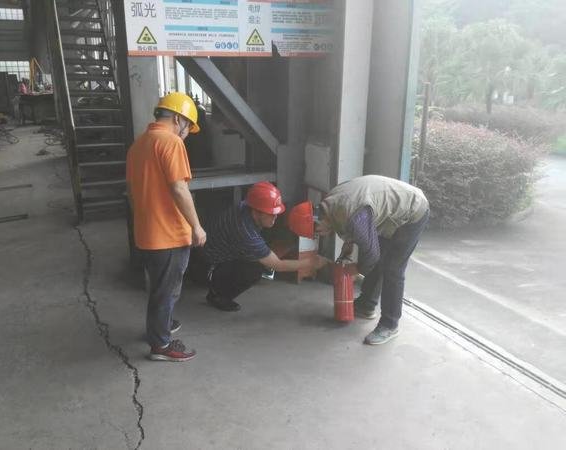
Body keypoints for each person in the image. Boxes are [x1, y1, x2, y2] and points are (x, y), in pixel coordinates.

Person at [288, 175, 429, 345]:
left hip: (412, 210)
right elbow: (351, 221)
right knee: (376, 257)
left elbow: (371, 253)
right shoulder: (329, 202)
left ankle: (390, 325)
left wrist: (355, 270)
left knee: (392, 269)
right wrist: (349, 243)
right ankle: (366, 305)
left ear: (317, 222)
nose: (320, 235)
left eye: (316, 232)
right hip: (388, 213)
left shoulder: (354, 217)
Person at [126, 92, 206, 362]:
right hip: (168, 235)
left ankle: (161, 326)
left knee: (160, 288)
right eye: (188, 127)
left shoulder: (139, 145)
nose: (187, 134)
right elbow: (179, 189)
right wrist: (196, 226)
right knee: (167, 291)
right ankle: (161, 345)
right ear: (178, 119)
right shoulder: (171, 142)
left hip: (147, 233)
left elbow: (133, 192)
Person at [190, 182, 328, 312]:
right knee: (255, 269)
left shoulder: (247, 206)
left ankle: (263, 258)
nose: (275, 216)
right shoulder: (246, 233)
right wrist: (310, 263)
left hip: (215, 249)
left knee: (268, 245)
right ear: (256, 212)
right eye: (271, 213)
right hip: (207, 266)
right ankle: (217, 295)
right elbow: (278, 265)